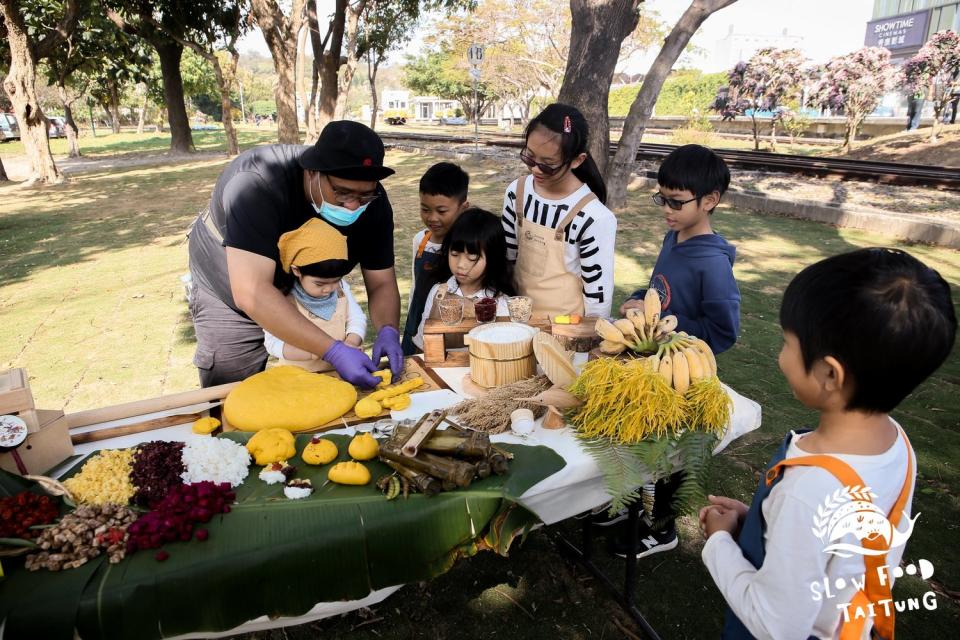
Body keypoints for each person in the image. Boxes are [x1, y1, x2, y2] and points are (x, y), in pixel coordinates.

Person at [700, 247, 955, 639]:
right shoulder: (897, 444)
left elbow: (775, 625)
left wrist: (719, 543)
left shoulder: (809, 490)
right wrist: (761, 525)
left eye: (788, 343)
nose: (780, 356)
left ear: (830, 374)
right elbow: (840, 548)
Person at [187, 120, 403, 389]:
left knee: (316, 389)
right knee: (232, 394)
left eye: (364, 195)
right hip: (232, 290)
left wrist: (388, 330)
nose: (352, 205)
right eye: (342, 192)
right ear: (312, 172)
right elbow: (251, 292)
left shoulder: (374, 204)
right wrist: (333, 351)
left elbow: (381, 281)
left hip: (309, 293)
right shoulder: (256, 183)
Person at [607, 144, 740, 559]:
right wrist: (636, 300)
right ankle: (628, 505)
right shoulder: (675, 236)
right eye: (661, 198)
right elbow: (658, 289)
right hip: (652, 367)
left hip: (684, 376)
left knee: (667, 452)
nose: (666, 208)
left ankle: (661, 527)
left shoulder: (713, 264)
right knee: (639, 438)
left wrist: (669, 322)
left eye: (676, 202)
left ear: (710, 201)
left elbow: (723, 332)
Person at [501, 103, 617, 319]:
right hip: (516, 323)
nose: (535, 168)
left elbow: (597, 296)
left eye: (547, 164)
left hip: (566, 332)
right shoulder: (516, 193)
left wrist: (592, 341)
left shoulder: (595, 218)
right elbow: (507, 259)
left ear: (577, 160)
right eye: (529, 156)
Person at [262, 218, 367, 371]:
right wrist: (312, 352)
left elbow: (357, 318)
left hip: (340, 373)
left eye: (336, 280)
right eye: (320, 284)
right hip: (299, 377)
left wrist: (351, 342)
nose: (329, 289)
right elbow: (272, 343)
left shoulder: (342, 289)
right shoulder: (284, 299)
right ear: (297, 270)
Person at [412, 208, 514, 351]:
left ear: (492, 259)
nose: (461, 265)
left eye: (472, 258)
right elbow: (422, 345)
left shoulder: (502, 304)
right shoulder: (438, 292)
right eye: (454, 254)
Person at [401, 162, 470, 355]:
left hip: (448, 333)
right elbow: (416, 289)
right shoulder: (420, 240)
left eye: (441, 211)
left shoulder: (465, 248)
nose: (432, 218)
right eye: (425, 209)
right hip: (415, 326)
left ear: (463, 207)